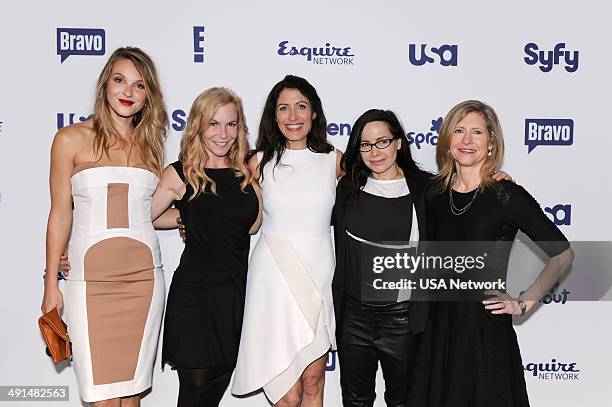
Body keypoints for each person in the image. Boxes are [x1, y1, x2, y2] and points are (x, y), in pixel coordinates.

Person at [411, 100, 574, 406]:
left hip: (484, 330)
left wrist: (525, 302)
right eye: (459, 131)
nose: (467, 140)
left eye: (477, 132)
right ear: (447, 140)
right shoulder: (432, 193)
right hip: (437, 330)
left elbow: (562, 254)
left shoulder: (506, 195)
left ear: (491, 143)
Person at [42, 47, 168, 406]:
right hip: (90, 285)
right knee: (102, 399)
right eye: (119, 81)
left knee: (131, 398)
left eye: (139, 85)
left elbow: (145, 213)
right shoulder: (70, 140)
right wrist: (51, 284)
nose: (127, 92)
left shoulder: (150, 147)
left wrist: (192, 219)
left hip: (145, 282)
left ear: (148, 97)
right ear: (105, 85)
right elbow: (59, 215)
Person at [231, 75, 343, 407]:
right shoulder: (258, 161)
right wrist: (185, 219)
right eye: (284, 108)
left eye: (301, 107)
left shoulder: (334, 160)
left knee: (313, 381)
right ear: (274, 116)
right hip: (273, 277)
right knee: (286, 392)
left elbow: (387, 181)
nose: (293, 117)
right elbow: (229, 208)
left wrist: (489, 176)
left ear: (314, 113)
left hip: (319, 274)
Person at [150, 87, 261, 407]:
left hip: (234, 295)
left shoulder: (247, 175)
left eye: (231, 124)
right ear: (198, 125)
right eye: (214, 124)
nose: (223, 134)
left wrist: (194, 218)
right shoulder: (180, 172)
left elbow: (253, 226)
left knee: (219, 381)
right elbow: (145, 218)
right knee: (195, 390)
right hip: (195, 296)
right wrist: (185, 217)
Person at [332, 109, 432, 406]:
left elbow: (467, 204)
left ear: (398, 143)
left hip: (402, 319)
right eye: (365, 145)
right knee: (355, 401)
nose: (375, 152)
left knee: (404, 402)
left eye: (383, 142)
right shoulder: (348, 188)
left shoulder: (426, 188)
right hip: (354, 317)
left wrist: (496, 179)